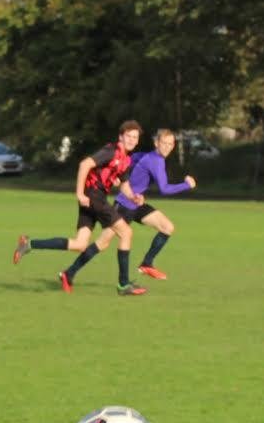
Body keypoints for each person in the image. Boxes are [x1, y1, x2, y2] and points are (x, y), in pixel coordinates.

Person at [12, 120, 148, 295]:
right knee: (126, 233)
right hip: (93, 196)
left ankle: (29, 244)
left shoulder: (126, 160)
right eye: (128, 136)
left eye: (134, 137)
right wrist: (79, 193)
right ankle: (123, 284)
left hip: (94, 197)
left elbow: (124, 185)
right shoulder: (111, 151)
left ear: (137, 141)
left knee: (80, 244)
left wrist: (134, 197)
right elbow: (85, 164)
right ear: (120, 137)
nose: (131, 139)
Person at [114, 128, 197, 279]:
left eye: (170, 144)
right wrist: (186, 185)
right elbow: (164, 189)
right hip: (124, 205)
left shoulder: (149, 156)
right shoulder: (156, 161)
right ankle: (71, 272)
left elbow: (130, 160)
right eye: (164, 143)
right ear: (156, 143)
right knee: (103, 242)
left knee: (167, 227)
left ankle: (147, 263)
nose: (167, 147)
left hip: (137, 204)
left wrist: (119, 175)